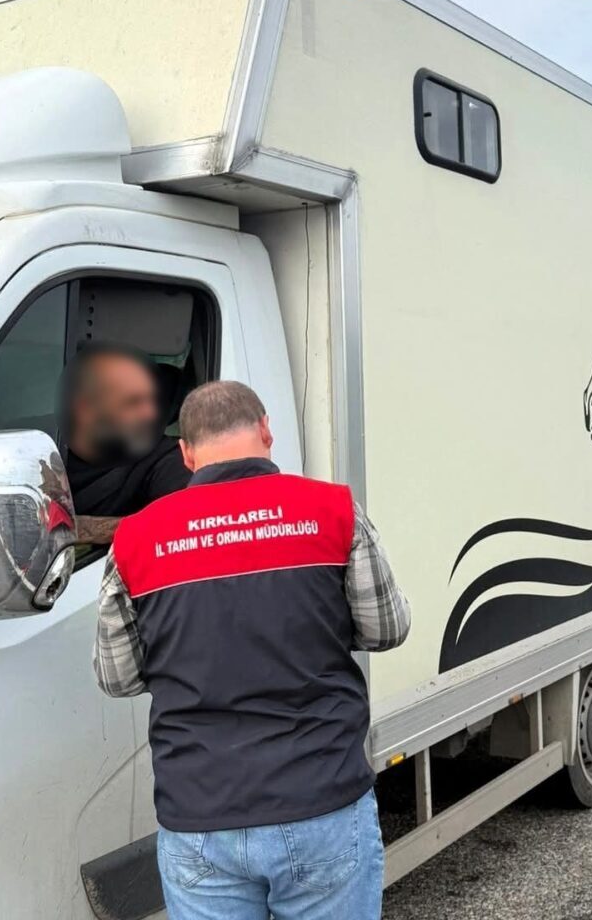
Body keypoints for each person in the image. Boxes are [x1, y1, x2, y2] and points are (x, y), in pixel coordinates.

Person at [92, 380, 410, 920]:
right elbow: (386, 629)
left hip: (199, 815)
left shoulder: (135, 542)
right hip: (321, 800)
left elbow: (118, 677)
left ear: (187, 453)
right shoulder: (334, 513)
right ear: (266, 430)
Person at [61, 342, 192, 543]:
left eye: (152, 401)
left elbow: (182, 524)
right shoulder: (43, 441)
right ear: (85, 408)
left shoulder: (166, 458)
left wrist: (80, 529)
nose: (150, 414)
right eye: (133, 401)